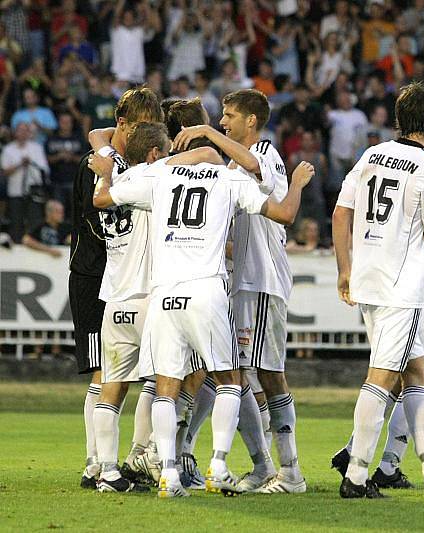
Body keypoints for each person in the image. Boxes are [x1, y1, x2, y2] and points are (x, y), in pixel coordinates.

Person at [92, 125, 315, 499]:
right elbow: (284, 214)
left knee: (166, 387)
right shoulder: (230, 179)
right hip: (206, 291)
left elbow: (102, 200)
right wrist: (296, 184)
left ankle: (168, 474)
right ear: (210, 147)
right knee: (229, 379)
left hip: (164, 296)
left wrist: (103, 176)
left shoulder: (158, 174)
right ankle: (218, 465)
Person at [172, 89, 308, 494]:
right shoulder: (233, 162)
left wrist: (205, 133)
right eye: (221, 116)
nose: (223, 121)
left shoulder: (264, 152)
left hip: (262, 281)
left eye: (229, 115)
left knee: (268, 375)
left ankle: (290, 472)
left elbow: (255, 169)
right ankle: (263, 464)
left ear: (252, 120)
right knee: (234, 373)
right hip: (241, 282)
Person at [331, 82, 424, 499]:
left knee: (415, 372)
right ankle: (357, 475)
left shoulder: (371, 154)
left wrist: (345, 269)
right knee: (381, 379)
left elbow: (340, 212)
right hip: (402, 286)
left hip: (367, 278)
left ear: (399, 119)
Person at [68, 87, 162, 490]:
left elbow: (100, 135)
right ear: (123, 124)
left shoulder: (117, 160)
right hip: (93, 277)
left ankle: (117, 462)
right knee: (101, 374)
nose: (145, 133)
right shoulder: (99, 164)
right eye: (140, 126)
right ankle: (95, 464)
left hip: (118, 283)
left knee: (127, 377)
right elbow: (91, 218)